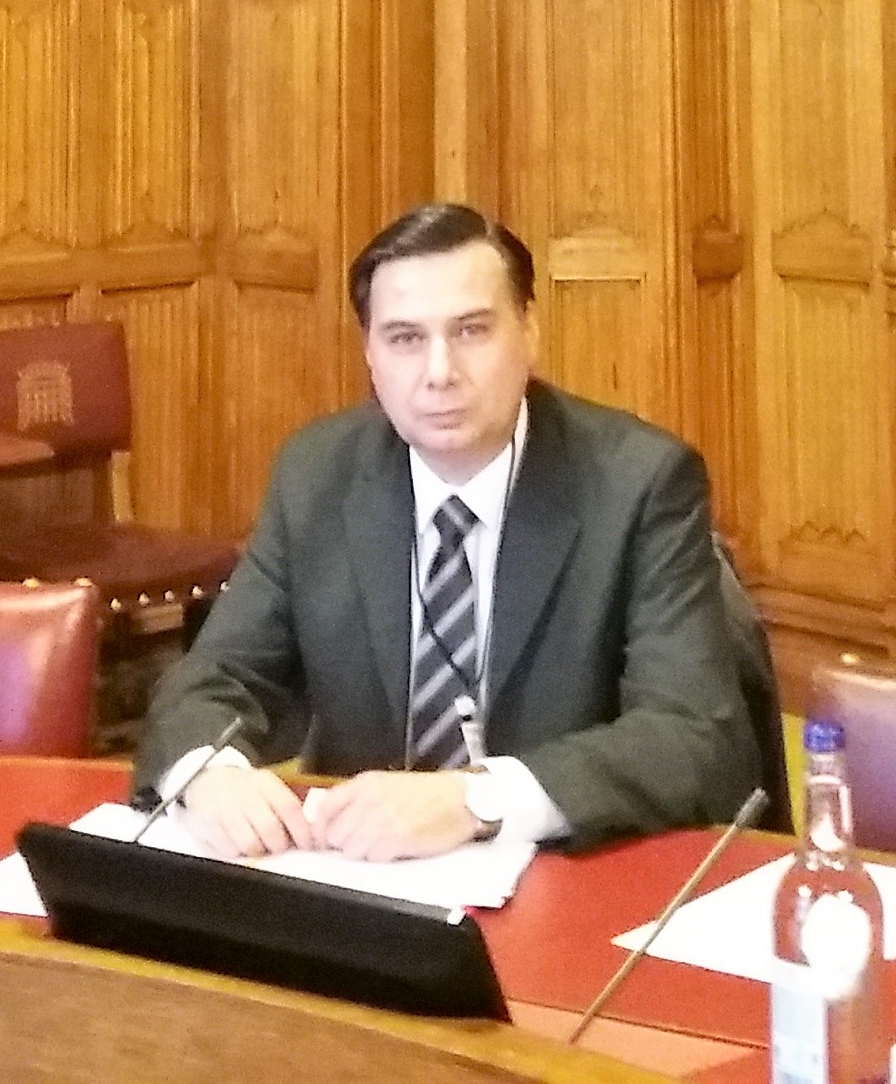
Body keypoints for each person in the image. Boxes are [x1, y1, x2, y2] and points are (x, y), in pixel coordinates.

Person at [132, 201, 764, 859]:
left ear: (529, 332)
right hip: (365, 878)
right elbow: (214, 677)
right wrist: (208, 774)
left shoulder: (639, 484)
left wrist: (477, 799)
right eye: (405, 339)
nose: (439, 373)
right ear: (369, 353)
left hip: (566, 872)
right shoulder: (319, 474)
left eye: (471, 331)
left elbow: (692, 736)